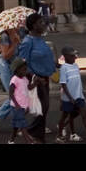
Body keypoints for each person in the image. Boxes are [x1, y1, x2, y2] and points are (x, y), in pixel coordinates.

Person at [16, 13, 57, 142]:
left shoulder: (40, 39)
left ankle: (38, 136)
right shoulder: (28, 42)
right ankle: (31, 133)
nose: (44, 24)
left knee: (44, 108)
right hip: (36, 79)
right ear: (33, 26)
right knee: (42, 108)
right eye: (40, 22)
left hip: (45, 78)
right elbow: (22, 63)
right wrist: (34, 76)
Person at [57, 47, 86, 142]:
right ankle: (59, 135)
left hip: (78, 97)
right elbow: (63, 84)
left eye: (75, 56)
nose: (75, 57)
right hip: (68, 99)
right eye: (72, 56)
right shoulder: (64, 68)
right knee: (65, 116)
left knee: (84, 114)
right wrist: (70, 98)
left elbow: (78, 82)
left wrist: (82, 94)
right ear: (66, 57)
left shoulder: (76, 66)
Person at [6, 57, 36, 143]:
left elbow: (29, 87)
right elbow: (11, 93)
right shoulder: (14, 79)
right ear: (16, 70)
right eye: (23, 70)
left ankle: (11, 140)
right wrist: (17, 104)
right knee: (22, 124)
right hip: (16, 107)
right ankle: (29, 141)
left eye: (26, 70)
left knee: (16, 124)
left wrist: (35, 83)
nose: (25, 72)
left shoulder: (24, 79)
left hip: (23, 106)